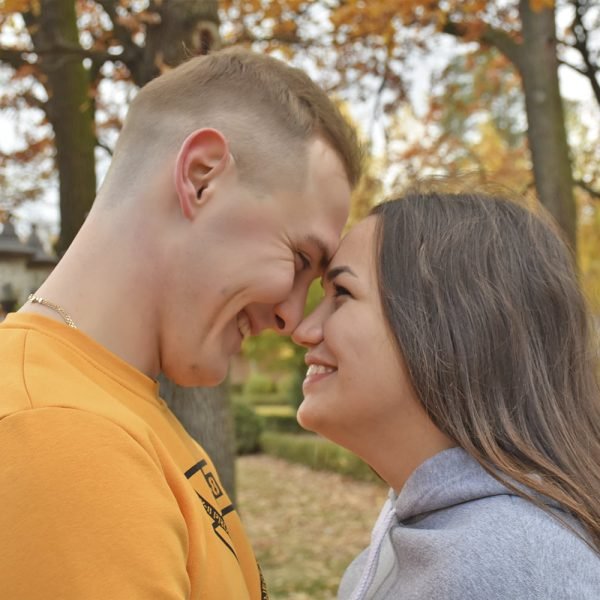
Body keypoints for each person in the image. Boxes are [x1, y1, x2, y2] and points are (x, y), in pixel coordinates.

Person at [0, 48, 362, 599]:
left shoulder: (110, 407)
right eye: (298, 260)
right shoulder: (63, 433)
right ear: (200, 177)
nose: (293, 315)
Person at [292, 190, 600, 599]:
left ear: (453, 327)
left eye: (343, 294)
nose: (303, 330)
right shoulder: (417, 548)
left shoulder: (518, 568)